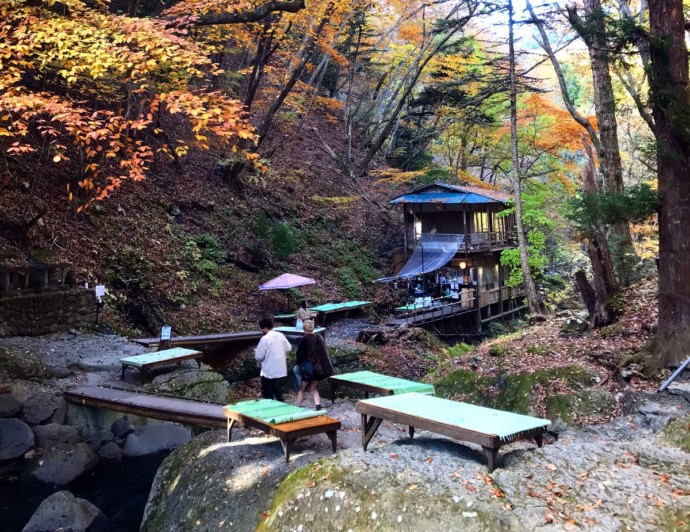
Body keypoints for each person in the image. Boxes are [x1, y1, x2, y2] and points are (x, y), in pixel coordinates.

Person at [295, 320, 334, 410]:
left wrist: (299, 366)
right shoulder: (319, 338)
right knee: (314, 388)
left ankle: (296, 408)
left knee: (302, 389)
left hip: (309, 370)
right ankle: (318, 407)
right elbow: (324, 355)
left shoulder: (304, 340)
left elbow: (300, 356)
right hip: (318, 369)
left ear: (304, 329)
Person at [255, 317, 291, 402]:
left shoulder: (265, 339)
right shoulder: (280, 335)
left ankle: (269, 411)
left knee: (268, 394)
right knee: (278, 393)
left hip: (268, 371)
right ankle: (282, 409)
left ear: (263, 328)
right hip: (281, 370)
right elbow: (289, 348)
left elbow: (259, 356)